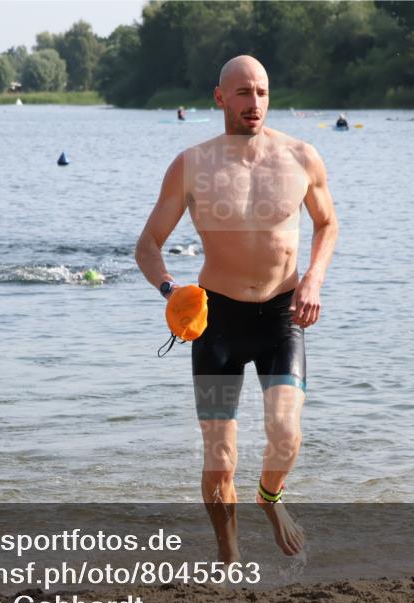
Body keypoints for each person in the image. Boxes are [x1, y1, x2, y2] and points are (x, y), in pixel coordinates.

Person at [135, 55, 338, 561]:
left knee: (286, 433)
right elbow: (148, 245)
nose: (254, 103)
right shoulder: (192, 165)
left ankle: (270, 498)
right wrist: (169, 290)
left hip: (281, 317)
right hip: (217, 321)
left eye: (262, 92)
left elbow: (327, 224)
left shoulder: (301, 157)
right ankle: (230, 562)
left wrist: (312, 279)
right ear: (219, 97)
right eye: (243, 93)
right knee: (220, 457)